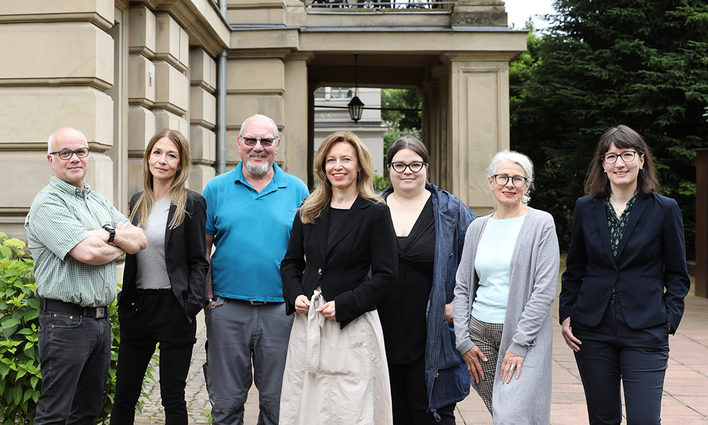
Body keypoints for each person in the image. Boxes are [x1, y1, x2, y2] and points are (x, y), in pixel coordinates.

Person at [559, 125, 690, 425]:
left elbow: (678, 274)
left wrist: (669, 318)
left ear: (642, 160)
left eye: (627, 154)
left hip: (646, 329)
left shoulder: (664, 209)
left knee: (644, 419)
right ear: (602, 165)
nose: (620, 163)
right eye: (612, 156)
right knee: (603, 419)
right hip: (591, 329)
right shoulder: (585, 208)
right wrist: (567, 313)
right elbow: (575, 268)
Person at [25, 127, 147, 424]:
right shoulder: (48, 204)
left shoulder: (96, 201)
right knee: (55, 413)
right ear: (50, 160)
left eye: (80, 151)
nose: (74, 158)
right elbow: (88, 254)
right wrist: (118, 241)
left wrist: (105, 235)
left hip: (99, 322)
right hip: (64, 322)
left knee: (87, 413)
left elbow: (140, 239)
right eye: (65, 153)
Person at [279, 131, 398, 425]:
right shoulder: (308, 210)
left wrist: (346, 304)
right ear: (323, 167)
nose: (338, 166)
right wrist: (296, 294)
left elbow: (386, 275)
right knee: (306, 402)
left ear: (360, 166)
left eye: (346, 159)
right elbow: (290, 263)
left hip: (352, 325)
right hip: (309, 323)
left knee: (349, 406)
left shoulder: (375, 212)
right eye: (331, 160)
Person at [202, 114, 309, 424]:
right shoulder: (216, 188)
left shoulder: (297, 190)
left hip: (281, 312)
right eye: (251, 140)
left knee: (279, 404)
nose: (258, 147)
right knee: (225, 403)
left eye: (266, 141)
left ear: (276, 145)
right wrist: (209, 300)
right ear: (239, 144)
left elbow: (307, 253)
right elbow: (203, 249)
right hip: (227, 310)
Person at [110, 129, 209, 424]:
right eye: (157, 152)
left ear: (180, 164)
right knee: (125, 395)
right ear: (148, 158)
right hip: (138, 307)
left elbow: (198, 261)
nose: (162, 160)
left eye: (171, 155)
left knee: (172, 398)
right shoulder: (138, 201)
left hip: (174, 308)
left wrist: (190, 307)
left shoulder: (192, 203)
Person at [453, 150, 559, 424]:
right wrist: (463, 340)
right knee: (502, 412)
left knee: (512, 414)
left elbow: (544, 290)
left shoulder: (541, 223)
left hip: (524, 336)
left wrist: (519, 343)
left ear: (527, 185)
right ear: (491, 182)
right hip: (479, 337)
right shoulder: (477, 228)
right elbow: (463, 287)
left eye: (517, 179)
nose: (509, 184)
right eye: (502, 177)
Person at [378, 136, 474, 424]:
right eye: (400, 165)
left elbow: (477, 262)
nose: (407, 171)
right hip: (382, 328)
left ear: (426, 167)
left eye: (415, 164)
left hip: (433, 332)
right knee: (390, 412)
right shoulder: (372, 209)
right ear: (389, 168)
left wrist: (459, 305)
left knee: (432, 411)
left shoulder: (451, 211)